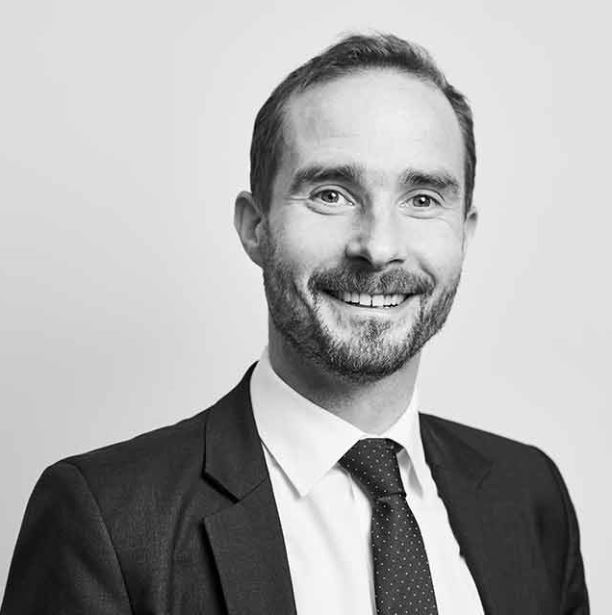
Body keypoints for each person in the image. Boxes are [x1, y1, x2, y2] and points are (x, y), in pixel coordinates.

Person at [1, 33, 588, 615]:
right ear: (255, 227)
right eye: (331, 194)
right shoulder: (106, 520)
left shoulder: (530, 496)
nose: (379, 247)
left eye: (423, 199)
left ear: (464, 233)